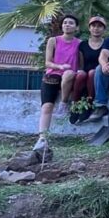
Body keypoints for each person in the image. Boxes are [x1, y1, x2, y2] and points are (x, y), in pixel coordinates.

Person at [33, 15, 81, 150]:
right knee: (47, 107)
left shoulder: (79, 43)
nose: (67, 25)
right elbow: (47, 62)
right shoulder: (53, 41)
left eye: (71, 23)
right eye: (65, 23)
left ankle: (64, 103)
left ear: (76, 27)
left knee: (69, 73)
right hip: (52, 74)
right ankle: (42, 138)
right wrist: (59, 66)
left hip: (70, 75)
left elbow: (81, 63)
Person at [71, 16, 106, 123]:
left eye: (99, 26)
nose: (96, 28)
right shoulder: (83, 45)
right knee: (81, 74)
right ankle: (75, 105)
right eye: (94, 26)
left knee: (93, 73)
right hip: (85, 75)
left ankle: (90, 104)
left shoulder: (107, 44)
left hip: (99, 76)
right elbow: (81, 64)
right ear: (89, 28)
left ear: (104, 29)